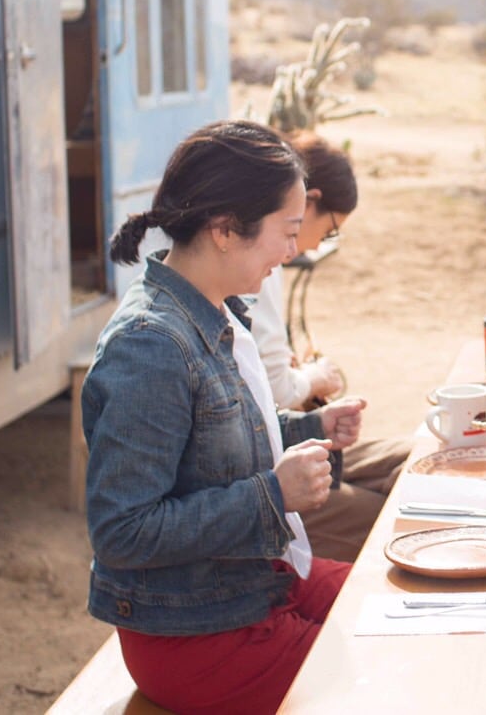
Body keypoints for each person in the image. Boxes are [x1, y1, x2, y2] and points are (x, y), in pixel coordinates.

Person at [81, 120, 365, 714]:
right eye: (286, 233)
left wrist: (312, 428)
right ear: (225, 229)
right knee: (379, 672)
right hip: (195, 633)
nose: (292, 251)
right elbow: (122, 531)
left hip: (249, 585)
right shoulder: (150, 345)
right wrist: (272, 495)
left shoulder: (212, 310)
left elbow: (214, 442)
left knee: (389, 606)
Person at [249, 131, 410, 561]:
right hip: (267, 467)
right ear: (307, 200)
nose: (317, 244)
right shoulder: (254, 263)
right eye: (329, 229)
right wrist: (316, 377)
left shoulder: (257, 259)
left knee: (417, 463)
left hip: (283, 439)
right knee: (392, 518)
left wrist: (316, 422)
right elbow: (278, 391)